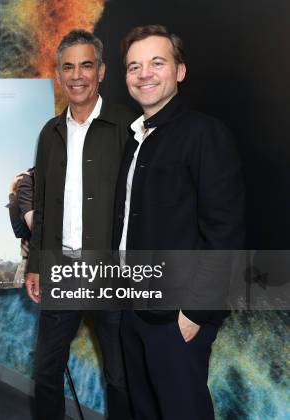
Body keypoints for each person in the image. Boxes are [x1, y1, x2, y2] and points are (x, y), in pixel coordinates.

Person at [114, 25, 245, 420]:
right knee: (145, 411)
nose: (144, 74)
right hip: (132, 308)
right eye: (134, 66)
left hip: (176, 318)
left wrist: (194, 314)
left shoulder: (206, 135)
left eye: (157, 62)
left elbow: (226, 234)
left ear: (180, 71)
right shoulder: (136, 140)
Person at [25, 30, 135, 420]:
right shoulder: (50, 132)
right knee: (46, 371)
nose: (77, 75)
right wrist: (37, 264)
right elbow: (39, 202)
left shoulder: (128, 125)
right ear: (58, 74)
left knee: (120, 376)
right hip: (62, 269)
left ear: (101, 70)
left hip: (112, 274)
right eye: (68, 67)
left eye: (85, 65)